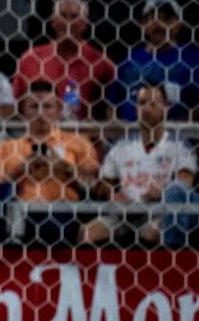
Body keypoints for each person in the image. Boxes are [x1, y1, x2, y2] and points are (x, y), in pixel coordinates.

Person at [79, 83, 197, 246]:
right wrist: (113, 195)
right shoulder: (121, 145)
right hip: (123, 213)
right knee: (88, 232)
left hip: (158, 212)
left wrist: (162, 193)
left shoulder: (179, 145)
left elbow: (185, 182)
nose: (147, 108)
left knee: (153, 233)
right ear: (135, 108)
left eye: (154, 103)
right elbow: (104, 184)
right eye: (142, 103)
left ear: (166, 108)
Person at [0, 81, 99, 244]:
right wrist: (21, 168)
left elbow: (95, 189)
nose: (41, 114)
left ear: (59, 110)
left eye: (47, 107)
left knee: (50, 225)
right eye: (34, 107)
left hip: (64, 212)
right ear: (23, 111)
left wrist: (63, 167)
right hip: (18, 213)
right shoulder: (8, 147)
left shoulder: (79, 143)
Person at [13, 0, 115, 120]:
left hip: (83, 136)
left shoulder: (101, 63)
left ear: (85, 24)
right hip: (40, 133)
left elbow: (112, 108)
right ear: (52, 21)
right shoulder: (31, 58)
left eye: (74, 16)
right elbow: (17, 105)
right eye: (62, 15)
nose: (68, 22)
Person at [110, 0, 199, 122]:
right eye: (151, 18)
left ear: (178, 24)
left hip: (175, 136)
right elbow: (112, 103)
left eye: (166, 18)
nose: (158, 23)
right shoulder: (130, 59)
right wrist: (116, 129)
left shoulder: (193, 58)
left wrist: (175, 127)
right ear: (143, 26)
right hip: (130, 136)